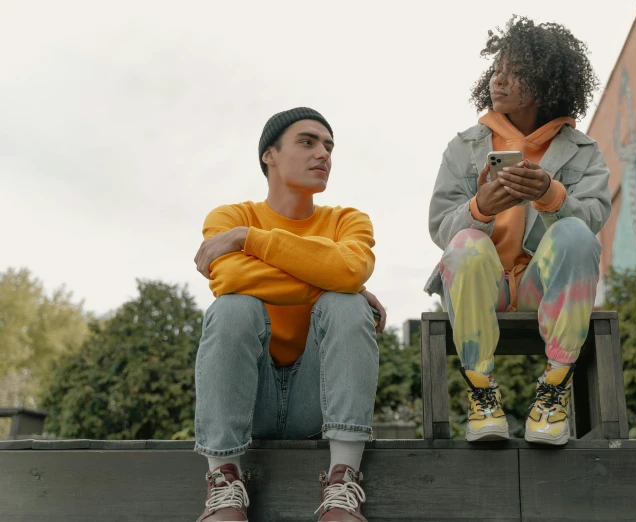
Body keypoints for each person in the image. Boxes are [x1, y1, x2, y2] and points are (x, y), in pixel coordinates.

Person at [192, 107, 385, 521]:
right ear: (270, 155)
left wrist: (250, 241)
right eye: (307, 142)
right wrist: (335, 280)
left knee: (347, 303)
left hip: (316, 402)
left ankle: (343, 480)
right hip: (250, 398)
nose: (323, 154)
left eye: (329, 146)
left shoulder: (347, 221)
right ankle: (224, 484)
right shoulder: (228, 218)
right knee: (233, 307)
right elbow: (226, 279)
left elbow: (351, 270)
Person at [425, 16, 611, 445]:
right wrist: (479, 208)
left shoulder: (583, 151)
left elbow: (595, 215)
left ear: (546, 83)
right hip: (481, 285)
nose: (499, 80)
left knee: (578, 236)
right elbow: (441, 227)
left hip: (539, 285)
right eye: (497, 70)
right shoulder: (465, 146)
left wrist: (552, 196)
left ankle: (553, 390)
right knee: (465, 245)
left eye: (515, 72)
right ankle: (482, 393)